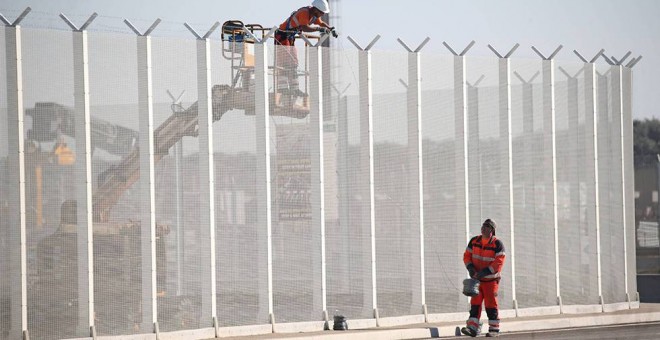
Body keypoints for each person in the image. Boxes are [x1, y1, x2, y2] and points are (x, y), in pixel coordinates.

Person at [274, 0, 337, 98]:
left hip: (290, 36)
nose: (323, 14)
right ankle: (282, 88)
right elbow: (304, 28)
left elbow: (321, 23)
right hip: (282, 36)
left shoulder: (313, 15)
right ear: (316, 9)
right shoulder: (305, 12)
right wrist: (319, 29)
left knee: (293, 63)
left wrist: (331, 28)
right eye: (322, 12)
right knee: (284, 62)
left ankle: (295, 89)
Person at [461, 219, 506, 337]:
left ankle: (494, 329)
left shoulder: (498, 244)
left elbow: (498, 263)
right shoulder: (474, 241)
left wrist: (484, 272)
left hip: (491, 281)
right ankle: (472, 327)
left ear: (492, 230)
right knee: (475, 304)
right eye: (482, 226)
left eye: (486, 226)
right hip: (477, 281)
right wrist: (470, 268)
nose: (483, 228)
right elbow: (467, 256)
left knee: (491, 304)